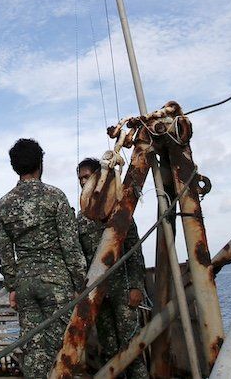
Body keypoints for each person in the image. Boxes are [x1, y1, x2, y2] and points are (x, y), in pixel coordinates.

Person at [0, 138, 87, 378]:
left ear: (15, 166)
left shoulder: (3, 204)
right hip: (56, 283)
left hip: (25, 284)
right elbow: (71, 246)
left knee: (33, 350)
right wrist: (80, 284)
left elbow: (5, 254)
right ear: (40, 163)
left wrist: (12, 287)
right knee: (63, 349)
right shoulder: (55, 197)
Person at [76, 158, 147, 379]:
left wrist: (136, 286)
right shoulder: (81, 220)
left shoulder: (119, 208)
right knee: (109, 351)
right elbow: (80, 258)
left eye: (87, 177)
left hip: (124, 291)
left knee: (132, 349)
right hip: (100, 296)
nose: (83, 182)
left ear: (99, 177)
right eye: (80, 179)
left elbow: (134, 251)